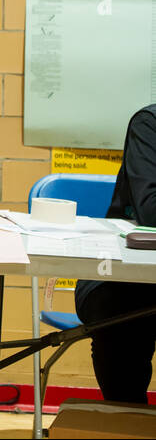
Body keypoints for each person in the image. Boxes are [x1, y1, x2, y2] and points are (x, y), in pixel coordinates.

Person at [75, 103, 156, 405]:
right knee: (120, 319)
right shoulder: (149, 124)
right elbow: (150, 208)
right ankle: (128, 420)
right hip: (122, 278)